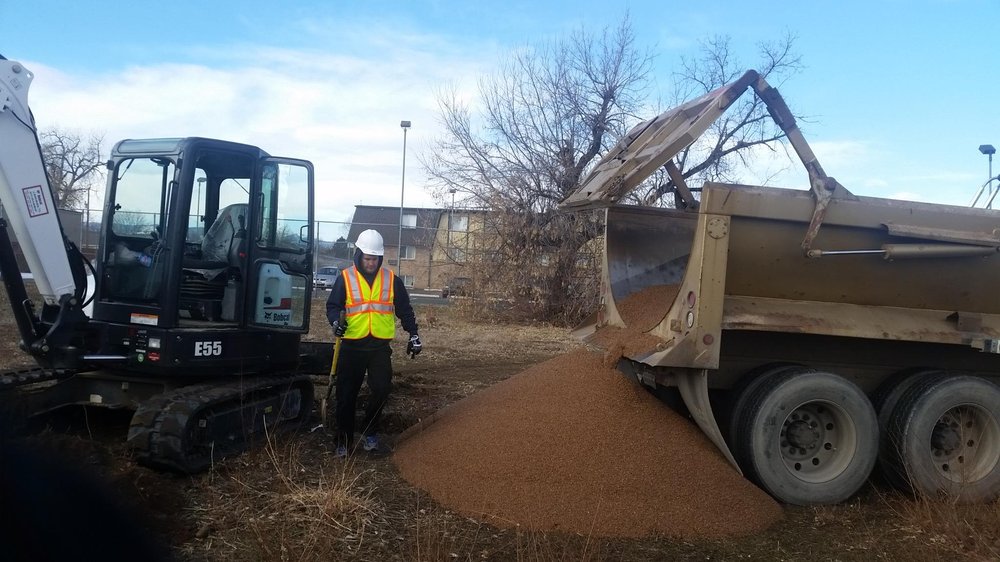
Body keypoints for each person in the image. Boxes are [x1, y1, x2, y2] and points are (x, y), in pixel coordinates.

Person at [326, 229, 421, 457]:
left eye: (375, 259)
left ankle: (370, 433)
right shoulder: (345, 278)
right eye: (368, 258)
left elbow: (405, 310)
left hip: (379, 348)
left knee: (382, 389)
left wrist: (413, 334)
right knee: (346, 395)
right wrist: (335, 322)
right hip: (351, 347)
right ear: (359, 255)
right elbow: (333, 307)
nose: (371, 263)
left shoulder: (391, 280)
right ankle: (344, 441)